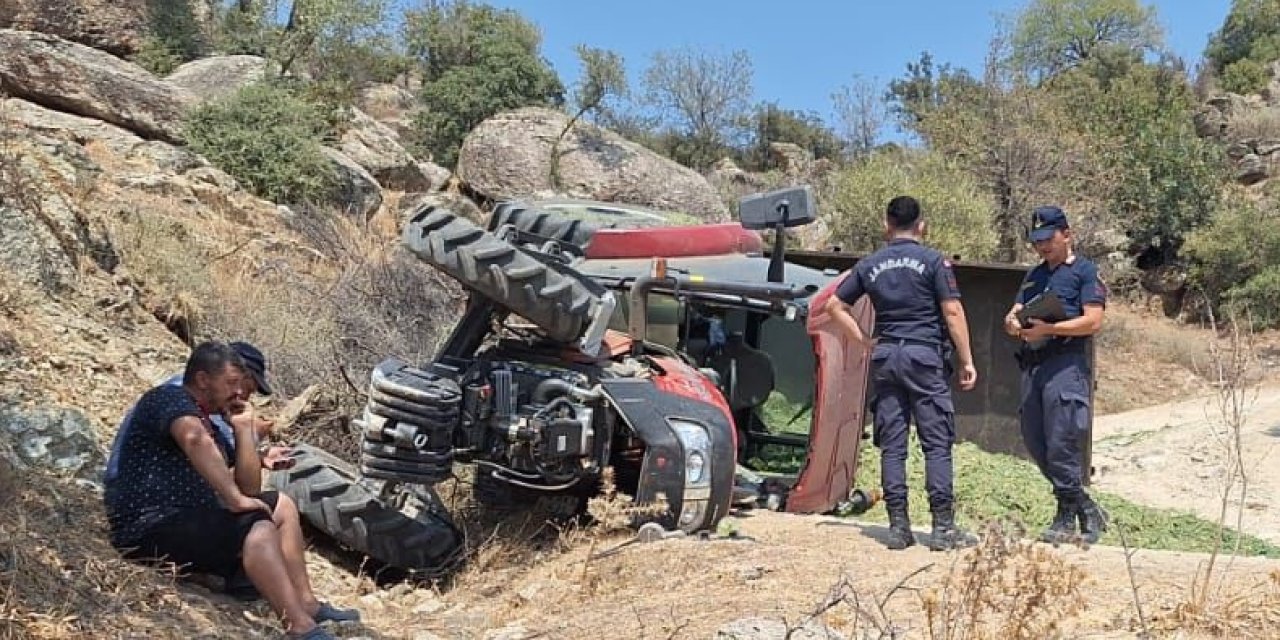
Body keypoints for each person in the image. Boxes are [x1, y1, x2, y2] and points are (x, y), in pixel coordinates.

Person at [104, 341, 358, 640]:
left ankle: (306, 603)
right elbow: (194, 440)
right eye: (231, 384)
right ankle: (301, 629)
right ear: (202, 380)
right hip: (148, 522)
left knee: (281, 505)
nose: (239, 393)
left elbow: (248, 487)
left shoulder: (210, 419)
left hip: (189, 520)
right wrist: (236, 500)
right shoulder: (169, 398)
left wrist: (243, 430)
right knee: (257, 526)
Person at [825, 195, 979, 551]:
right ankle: (942, 529)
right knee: (936, 443)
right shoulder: (933, 262)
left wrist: (864, 341)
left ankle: (898, 528)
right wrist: (967, 360)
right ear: (921, 225)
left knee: (892, 446)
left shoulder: (870, 264)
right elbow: (952, 312)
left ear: (886, 224)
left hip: (886, 357)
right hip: (924, 357)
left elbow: (835, 305)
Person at [1003, 205, 1108, 544]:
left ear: (1066, 235)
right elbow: (1016, 312)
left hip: (1065, 363)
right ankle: (1086, 507)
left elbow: (1093, 320)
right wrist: (1013, 323)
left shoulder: (1085, 272)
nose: (1043, 247)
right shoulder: (1034, 275)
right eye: (1037, 241)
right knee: (1037, 441)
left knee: (1063, 439)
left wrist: (1052, 327)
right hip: (1034, 364)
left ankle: (1066, 516)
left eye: (1048, 239)